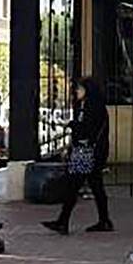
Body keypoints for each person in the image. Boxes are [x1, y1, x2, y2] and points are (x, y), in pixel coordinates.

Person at [42, 76, 113, 235]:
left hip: (87, 152)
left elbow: (87, 129)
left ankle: (63, 221)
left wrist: (73, 125)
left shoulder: (92, 107)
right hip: (91, 152)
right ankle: (104, 220)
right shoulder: (89, 105)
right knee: (96, 186)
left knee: (73, 186)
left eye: (79, 89)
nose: (76, 91)